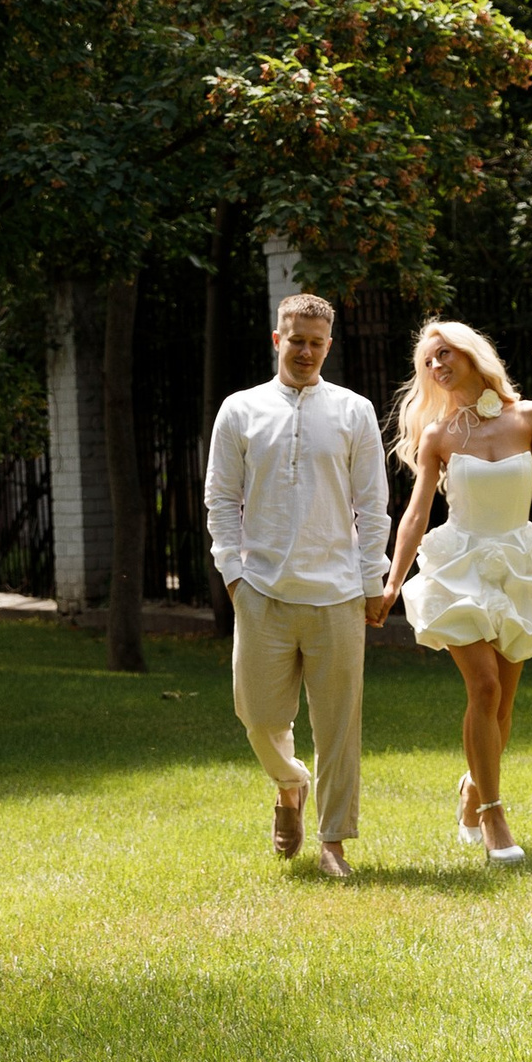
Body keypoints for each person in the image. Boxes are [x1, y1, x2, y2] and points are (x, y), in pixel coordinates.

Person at [371, 318, 532, 867]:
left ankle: (471, 789)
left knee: (503, 705)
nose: (438, 366)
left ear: (472, 356)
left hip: (518, 564)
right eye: (429, 362)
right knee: (485, 688)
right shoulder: (439, 435)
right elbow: (417, 512)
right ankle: (493, 814)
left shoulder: (529, 416)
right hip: (458, 567)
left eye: (446, 354)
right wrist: (394, 580)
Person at [204, 287, 390, 883]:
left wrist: (371, 581)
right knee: (257, 716)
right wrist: (234, 575)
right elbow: (220, 499)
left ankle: (334, 839)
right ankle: (290, 785)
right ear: (277, 339)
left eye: (316, 343)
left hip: (337, 592)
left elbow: (373, 504)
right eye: (296, 340)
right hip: (261, 590)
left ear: (328, 347)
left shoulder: (354, 410)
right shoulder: (240, 409)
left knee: (339, 724)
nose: (306, 351)